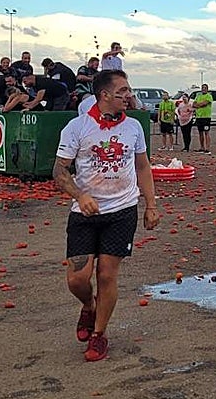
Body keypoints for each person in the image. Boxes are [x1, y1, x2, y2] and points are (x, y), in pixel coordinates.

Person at [52, 69, 160, 362]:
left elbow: (143, 167)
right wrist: (80, 195)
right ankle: (89, 306)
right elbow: (59, 171)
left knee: (107, 274)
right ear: (105, 95)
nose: (129, 96)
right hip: (85, 212)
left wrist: (150, 205)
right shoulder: (77, 128)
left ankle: (99, 334)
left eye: (129, 90)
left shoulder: (134, 128)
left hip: (122, 211)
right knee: (77, 279)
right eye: (123, 91)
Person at [193, 84, 213, 153]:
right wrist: (199, 105)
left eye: (205, 88)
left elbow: (205, 103)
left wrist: (199, 104)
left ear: (207, 89)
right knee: (200, 132)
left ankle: (207, 148)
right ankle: (202, 147)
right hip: (199, 117)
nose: (204, 89)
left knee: (206, 132)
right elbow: (194, 104)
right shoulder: (198, 96)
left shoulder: (209, 96)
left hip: (206, 117)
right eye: (202, 88)